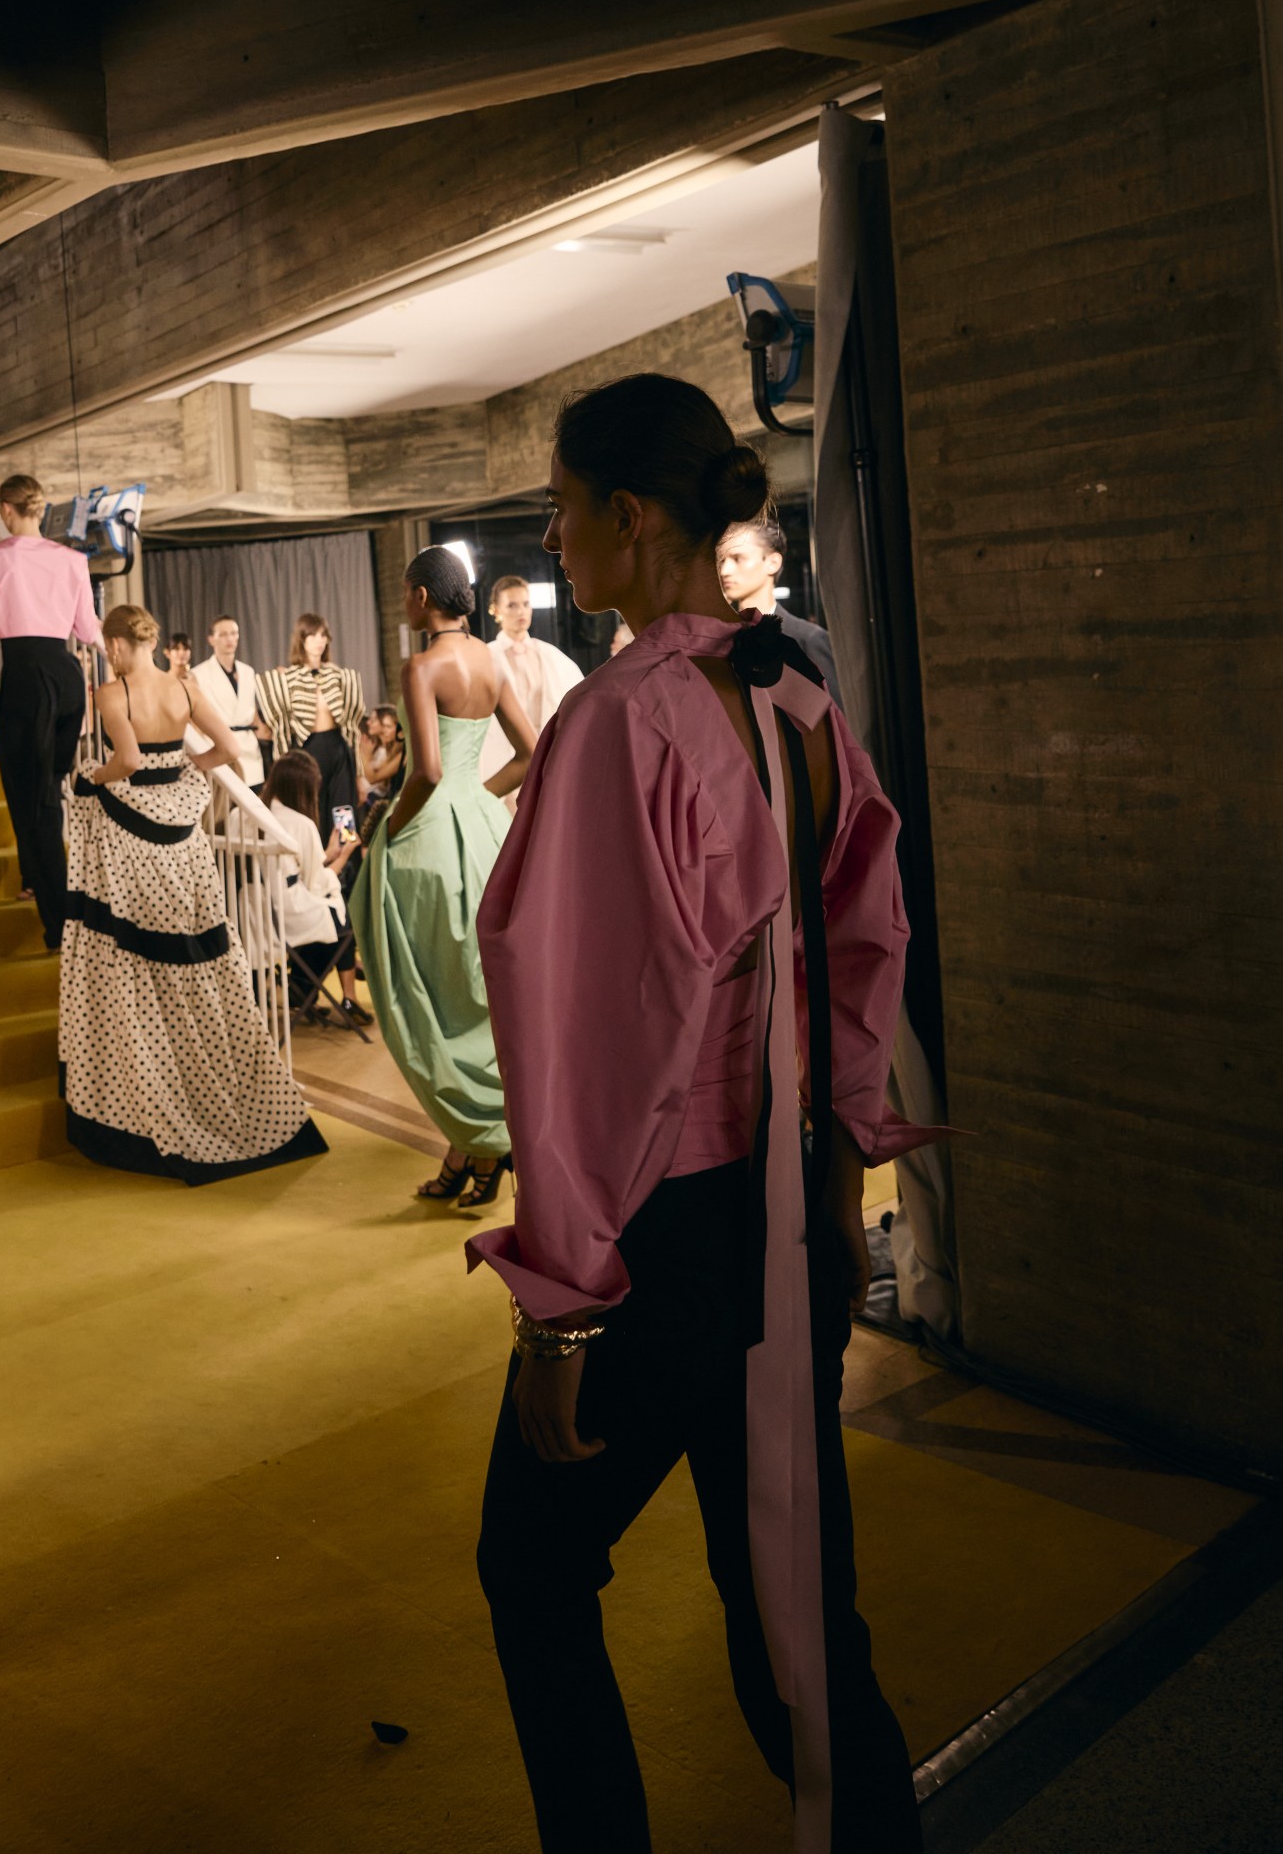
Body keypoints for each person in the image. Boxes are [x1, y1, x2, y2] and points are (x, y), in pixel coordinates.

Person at [467, 373, 935, 1854]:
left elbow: (593, 1047)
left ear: (626, 516)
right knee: (789, 1594)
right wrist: (849, 1159)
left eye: (561, 503)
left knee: (531, 1571)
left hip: (661, 1235)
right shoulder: (797, 700)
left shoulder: (618, 726)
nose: (553, 532)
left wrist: (561, 1306)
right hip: (790, 1207)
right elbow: (870, 945)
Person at [59, 601, 327, 1181]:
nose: (109, 653)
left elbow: (126, 761)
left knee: (136, 954)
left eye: (110, 645)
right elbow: (230, 751)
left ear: (121, 644)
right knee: (196, 953)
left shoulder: (111, 695)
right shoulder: (182, 686)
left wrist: (89, 777)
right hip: (183, 841)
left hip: (134, 837)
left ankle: (152, 1085)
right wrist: (188, 769)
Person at [348, 549, 536, 1212]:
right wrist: (477, 796)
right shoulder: (489, 659)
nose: (404, 603)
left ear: (423, 596)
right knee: (476, 994)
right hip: (484, 830)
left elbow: (424, 772)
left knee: (430, 997)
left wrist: (386, 830)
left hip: (430, 836)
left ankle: (483, 1144)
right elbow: (532, 752)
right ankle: (470, 1147)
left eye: (405, 593)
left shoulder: (422, 665)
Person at [0, 474, 102, 951]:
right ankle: (35, 880)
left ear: (5, 510)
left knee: (32, 804)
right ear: (40, 510)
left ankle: (59, 925)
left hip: (24, 682)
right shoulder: (72, 560)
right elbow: (88, 630)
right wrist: (128, 669)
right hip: (67, 680)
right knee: (47, 797)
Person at [260, 748, 370, 1034]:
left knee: (331, 917)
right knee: (342, 923)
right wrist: (344, 856)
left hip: (255, 910)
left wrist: (328, 853)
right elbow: (316, 883)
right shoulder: (301, 824)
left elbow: (290, 867)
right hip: (287, 913)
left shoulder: (248, 816)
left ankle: (303, 989)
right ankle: (313, 990)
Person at [254, 614, 367, 838]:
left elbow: (352, 729)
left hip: (338, 750)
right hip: (307, 749)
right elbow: (280, 727)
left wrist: (360, 774)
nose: (319, 640)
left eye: (323, 635)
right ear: (302, 639)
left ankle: (346, 867)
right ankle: (317, 863)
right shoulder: (288, 677)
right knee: (309, 810)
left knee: (343, 811)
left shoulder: (338, 675)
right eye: (313, 634)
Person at [718, 516, 843, 707]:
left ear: (773, 562)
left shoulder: (808, 639)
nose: (725, 570)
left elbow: (834, 719)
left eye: (738, 558)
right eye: (721, 561)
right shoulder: (720, 636)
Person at [480, 574, 583, 807]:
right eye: (512, 605)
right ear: (496, 610)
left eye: (526, 604)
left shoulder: (550, 656)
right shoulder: (487, 657)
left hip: (547, 759)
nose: (521, 612)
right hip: (504, 757)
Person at [188, 613, 267, 789]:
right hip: (218, 745)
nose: (229, 639)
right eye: (223, 634)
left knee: (254, 803)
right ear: (211, 639)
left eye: (233, 633)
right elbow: (194, 720)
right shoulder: (198, 674)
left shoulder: (248, 671)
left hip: (249, 747)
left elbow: (251, 710)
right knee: (225, 805)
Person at [358, 704, 404, 810]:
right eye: (384, 727)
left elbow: (373, 778)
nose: (384, 731)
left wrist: (363, 753)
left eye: (388, 727)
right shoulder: (386, 749)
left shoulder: (401, 754)